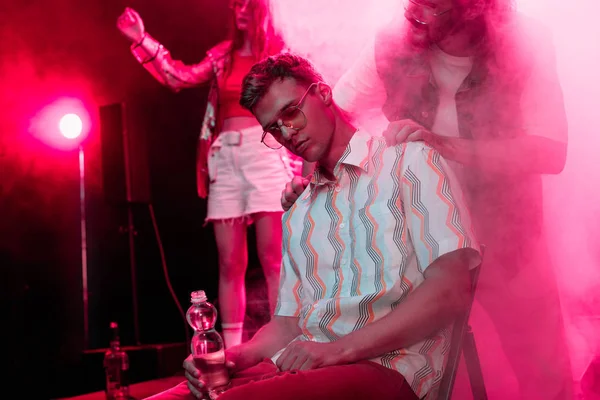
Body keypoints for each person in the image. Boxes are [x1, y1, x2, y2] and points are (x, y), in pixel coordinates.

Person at [145, 53, 481, 400]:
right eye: (273, 128)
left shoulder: (409, 160)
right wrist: (235, 356)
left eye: (291, 112)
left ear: (323, 94)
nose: (287, 132)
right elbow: (288, 324)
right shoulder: (299, 209)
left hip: (389, 369)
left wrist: (336, 351)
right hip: (305, 370)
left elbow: (451, 291)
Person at [281, 0, 573, 398]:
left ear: (474, 8)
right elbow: (332, 118)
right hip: (420, 245)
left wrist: (444, 146)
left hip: (510, 238)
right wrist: (309, 183)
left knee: (545, 375)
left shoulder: (523, 41)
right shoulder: (392, 42)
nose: (415, 12)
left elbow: (550, 152)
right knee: (420, 372)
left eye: (433, 6)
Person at [117, 0, 297, 348]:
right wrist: (141, 39)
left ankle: (281, 345)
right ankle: (231, 351)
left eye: (248, 2)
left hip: (265, 153)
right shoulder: (222, 55)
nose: (240, 8)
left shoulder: (278, 55)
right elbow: (178, 76)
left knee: (273, 257)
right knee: (230, 263)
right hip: (224, 158)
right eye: (236, 3)